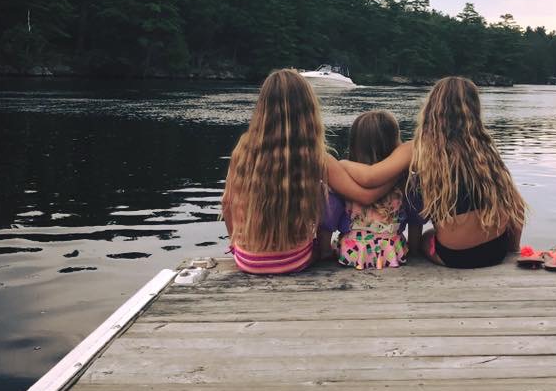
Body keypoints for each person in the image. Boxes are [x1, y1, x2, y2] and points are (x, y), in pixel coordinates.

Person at [221, 69, 395, 275]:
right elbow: (365, 196)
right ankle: (323, 250)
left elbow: (227, 203)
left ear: (262, 109)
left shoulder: (243, 150)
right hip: (295, 260)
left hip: (247, 260)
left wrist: (236, 246)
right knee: (334, 198)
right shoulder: (317, 158)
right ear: (308, 111)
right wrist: (398, 173)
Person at [340, 76, 525, 269]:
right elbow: (517, 208)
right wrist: (513, 248)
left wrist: (342, 164)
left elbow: (370, 177)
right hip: (497, 250)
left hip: (454, 256)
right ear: (475, 110)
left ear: (431, 109)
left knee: (427, 237)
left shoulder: (419, 148)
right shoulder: (485, 151)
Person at [334, 110, 424, 269]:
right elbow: (415, 220)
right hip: (391, 253)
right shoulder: (406, 180)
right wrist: (415, 250)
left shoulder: (345, 177)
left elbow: (331, 217)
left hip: (352, 253)